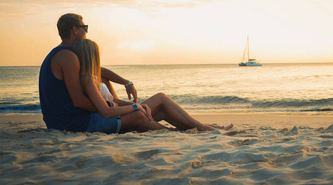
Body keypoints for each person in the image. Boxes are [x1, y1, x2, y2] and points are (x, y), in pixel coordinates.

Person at [72, 38, 230, 132]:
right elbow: (106, 111)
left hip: (120, 114)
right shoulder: (87, 79)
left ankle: (204, 127)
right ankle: (204, 129)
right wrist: (136, 107)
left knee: (163, 111)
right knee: (161, 99)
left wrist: (135, 104)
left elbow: (112, 99)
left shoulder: (93, 76)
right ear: (93, 56)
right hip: (114, 119)